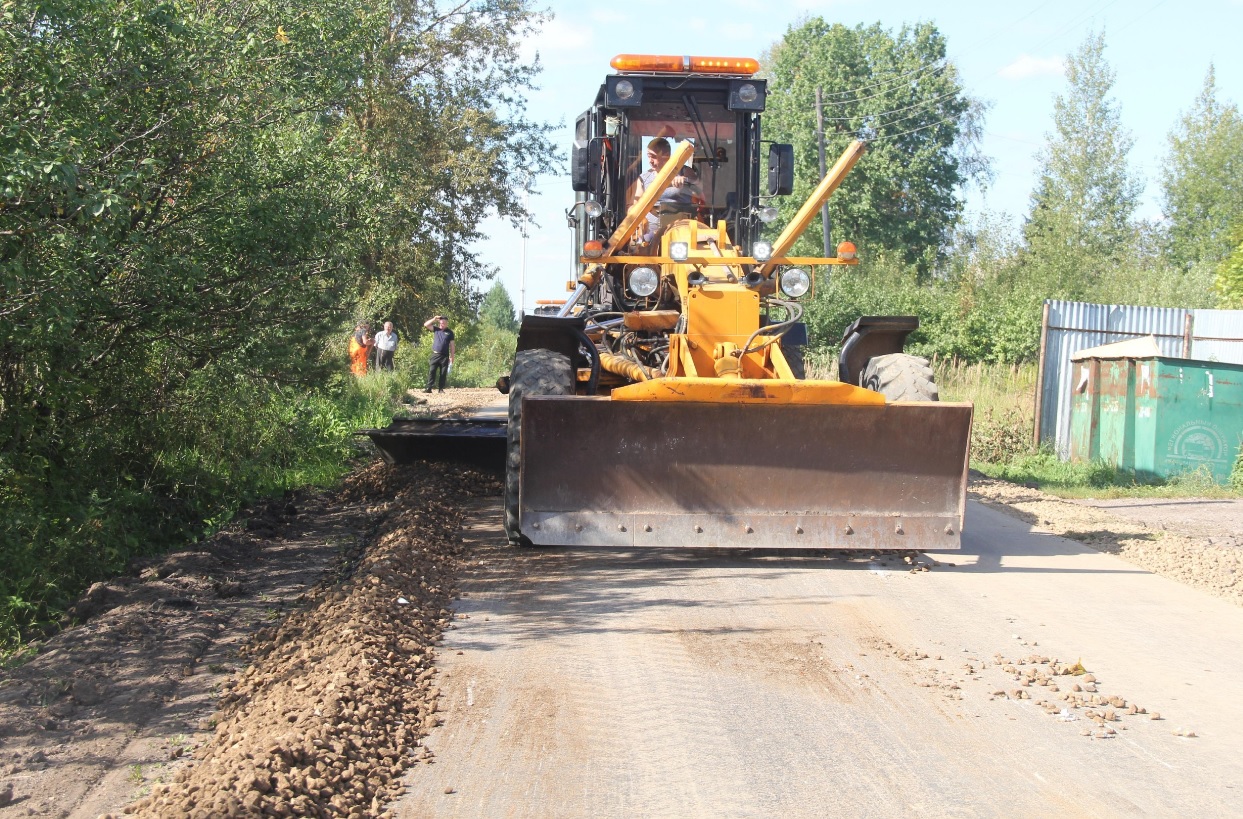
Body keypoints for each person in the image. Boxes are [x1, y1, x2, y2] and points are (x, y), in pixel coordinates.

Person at [632, 137, 700, 246]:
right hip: (652, 230)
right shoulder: (644, 178)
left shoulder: (684, 171)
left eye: (654, 157)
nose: (650, 161)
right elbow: (635, 205)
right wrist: (641, 221)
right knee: (643, 246)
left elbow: (698, 184)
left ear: (666, 156)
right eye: (649, 156)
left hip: (681, 227)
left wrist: (684, 179)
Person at [422, 315, 455, 392]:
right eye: (440, 323)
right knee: (432, 371)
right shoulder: (436, 329)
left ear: (446, 323)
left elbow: (452, 345)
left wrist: (452, 356)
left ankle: (441, 389)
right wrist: (434, 319)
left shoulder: (450, 333)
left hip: (445, 356)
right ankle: (429, 388)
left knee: (443, 373)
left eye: (443, 323)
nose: (441, 324)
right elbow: (426, 325)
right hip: (435, 355)